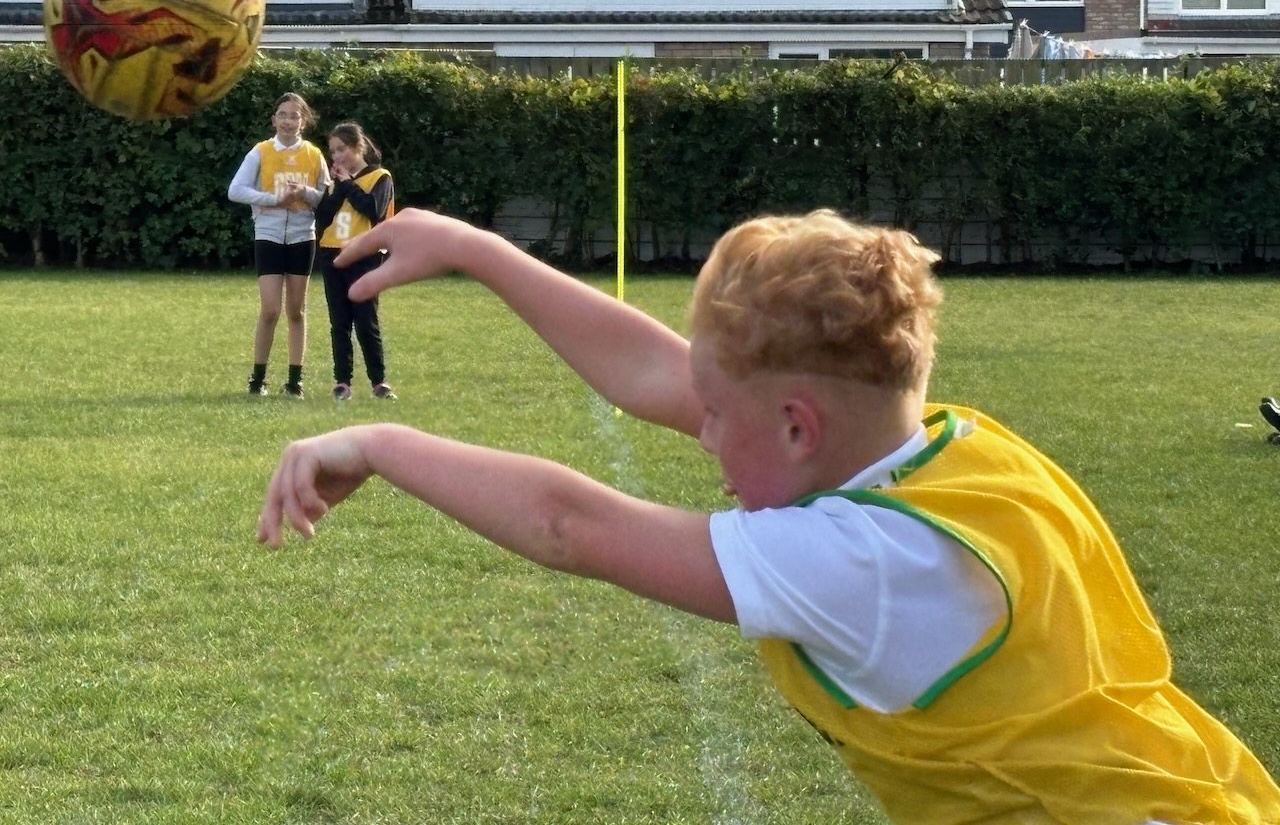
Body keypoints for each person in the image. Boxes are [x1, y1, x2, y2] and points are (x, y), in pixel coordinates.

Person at [257, 208, 1280, 825]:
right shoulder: (954, 451)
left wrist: (381, 445)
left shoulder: (860, 561)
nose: (697, 432)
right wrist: (477, 251)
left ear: (795, 426)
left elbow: (571, 526)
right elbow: (657, 373)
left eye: (715, 418)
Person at [227, 92, 330, 398]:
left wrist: (305, 193)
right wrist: (273, 200)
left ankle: (295, 381)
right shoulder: (260, 152)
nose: (288, 121)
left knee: (296, 311)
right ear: (274, 120)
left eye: (294, 116)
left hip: (302, 236)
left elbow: (327, 198)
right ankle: (258, 379)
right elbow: (236, 190)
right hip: (268, 234)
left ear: (304, 121)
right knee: (270, 309)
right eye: (282, 115)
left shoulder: (314, 155)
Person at [314, 121, 397, 401]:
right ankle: (342, 382)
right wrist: (338, 187)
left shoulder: (380, 177)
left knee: (365, 320)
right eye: (333, 151)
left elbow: (373, 210)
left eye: (342, 149)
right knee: (339, 322)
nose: (337, 156)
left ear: (358, 147)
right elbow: (323, 216)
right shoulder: (339, 182)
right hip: (332, 254)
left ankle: (379, 382)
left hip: (364, 256)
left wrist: (349, 184)